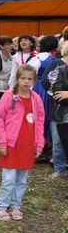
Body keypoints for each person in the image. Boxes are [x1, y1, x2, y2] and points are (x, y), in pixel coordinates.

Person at [0, 65, 44, 221]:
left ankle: (16, 206)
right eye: (23, 78)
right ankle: (2, 206)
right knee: (8, 179)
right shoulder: (9, 96)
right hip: (11, 145)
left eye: (30, 79)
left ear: (34, 80)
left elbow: (40, 122)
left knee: (22, 179)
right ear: (17, 79)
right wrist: (2, 143)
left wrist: (39, 143)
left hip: (27, 145)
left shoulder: (36, 99)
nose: (26, 82)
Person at [43, 42, 68, 180]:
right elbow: (56, 92)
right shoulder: (60, 68)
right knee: (58, 141)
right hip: (59, 110)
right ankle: (60, 169)